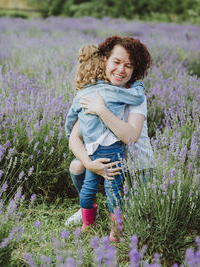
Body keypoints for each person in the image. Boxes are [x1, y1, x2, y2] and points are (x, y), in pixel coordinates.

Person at [65, 36, 154, 242]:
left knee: (136, 217)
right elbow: (74, 138)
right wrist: (90, 164)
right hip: (104, 159)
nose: (121, 70)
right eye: (116, 62)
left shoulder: (133, 94)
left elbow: (130, 137)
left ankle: (117, 217)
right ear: (104, 60)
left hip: (135, 167)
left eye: (128, 66)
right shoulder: (96, 91)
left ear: (135, 70)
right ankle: (87, 206)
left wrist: (101, 110)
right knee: (78, 166)